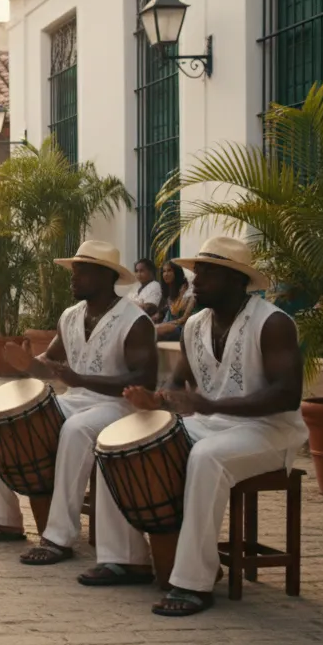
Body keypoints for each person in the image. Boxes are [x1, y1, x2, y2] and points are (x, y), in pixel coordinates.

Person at [82, 237, 308, 617]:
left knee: (205, 458)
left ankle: (193, 582)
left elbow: (286, 395)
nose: (195, 279)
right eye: (195, 271)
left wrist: (210, 404)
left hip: (270, 431)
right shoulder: (195, 325)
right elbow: (177, 386)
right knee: (120, 446)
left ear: (237, 280)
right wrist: (155, 401)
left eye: (207, 273)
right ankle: (126, 558)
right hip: (211, 423)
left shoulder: (273, 324)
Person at [0, 241, 158, 564]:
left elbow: (144, 382)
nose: (73, 277)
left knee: (75, 430)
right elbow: (48, 363)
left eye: (81, 271)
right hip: (75, 400)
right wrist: (27, 362)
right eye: (74, 270)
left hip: (119, 407)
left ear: (105, 275)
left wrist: (80, 379)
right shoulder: (70, 317)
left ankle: (59, 537)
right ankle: (3, 519)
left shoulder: (135, 322)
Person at [156, 260, 195, 341]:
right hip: (174, 325)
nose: (166, 274)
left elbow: (184, 318)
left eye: (169, 270)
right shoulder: (170, 294)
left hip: (188, 327)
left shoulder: (188, 289)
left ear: (177, 272)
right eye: (164, 271)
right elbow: (168, 317)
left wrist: (165, 325)